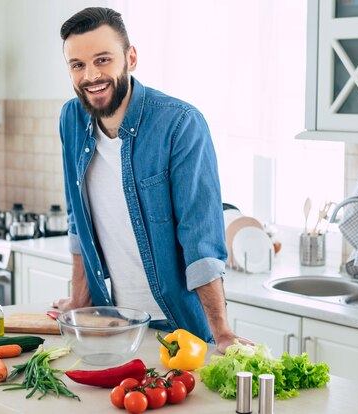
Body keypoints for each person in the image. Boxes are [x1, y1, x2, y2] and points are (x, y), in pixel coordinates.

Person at [53, 7, 245, 353]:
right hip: (109, 322)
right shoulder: (71, 118)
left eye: (102, 60)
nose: (90, 75)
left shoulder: (180, 124)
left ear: (131, 58)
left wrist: (221, 332)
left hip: (178, 328)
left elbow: (200, 237)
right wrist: (78, 300)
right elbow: (77, 222)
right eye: (77, 65)